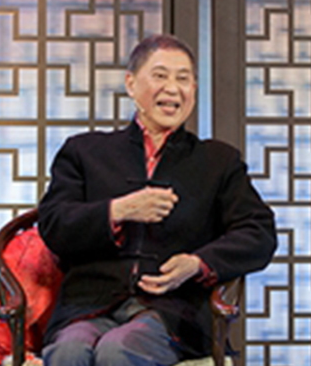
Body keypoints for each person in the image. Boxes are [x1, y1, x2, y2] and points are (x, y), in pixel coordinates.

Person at [37, 34, 278, 366]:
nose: (173, 88)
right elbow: (53, 223)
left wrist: (197, 263)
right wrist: (118, 210)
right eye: (160, 75)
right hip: (89, 305)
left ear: (194, 89)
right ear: (131, 84)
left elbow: (259, 233)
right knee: (68, 352)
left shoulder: (218, 162)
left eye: (183, 79)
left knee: (118, 350)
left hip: (172, 312)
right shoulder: (84, 151)